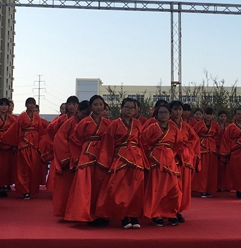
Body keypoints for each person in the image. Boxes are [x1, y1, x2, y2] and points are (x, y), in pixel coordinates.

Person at [95, 98, 147, 229]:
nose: (129, 110)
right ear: (122, 108)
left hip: (136, 158)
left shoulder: (138, 124)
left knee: (135, 188)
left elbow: (142, 142)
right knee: (119, 188)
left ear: (136, 110)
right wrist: (106, 161)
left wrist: (145, 159)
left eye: (132, 108)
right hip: (120, 157)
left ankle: (133, 215)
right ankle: (123, 216)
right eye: (127, 107)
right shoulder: (114, 124)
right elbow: (108, 143)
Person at [65, 95, 112, 226]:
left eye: (101, 104)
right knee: (86, 185)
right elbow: (74, 139)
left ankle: (101, 214)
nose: (99, 107)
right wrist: (77, 157)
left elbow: (112, 141)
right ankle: (86, 215)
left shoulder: (109, 123)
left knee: (101, 185)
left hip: (103, 155)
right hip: (87, 155)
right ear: (91, 107)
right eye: (95, 105)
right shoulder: (84, 122)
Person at [141, 103, 181, 226]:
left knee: (173, 188)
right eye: (160, 113)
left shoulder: (174, 129)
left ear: (170, 114)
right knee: (156, 188)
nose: (163, 115)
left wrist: (170, 154)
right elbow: (142, 141)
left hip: (169, 161)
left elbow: (178, 144)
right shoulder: (152, 127)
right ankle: (156, 214)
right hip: (155, 160)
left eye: (165, 113)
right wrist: (150, 153)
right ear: (156, 115)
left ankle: (171, 213)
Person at [3, 97, 47, 199]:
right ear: (26, 105)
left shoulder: (37, 118)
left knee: (33, 168)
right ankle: (25, 190)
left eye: (33, 104)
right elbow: (16, 129)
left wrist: (42, 144)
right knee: (23, 168)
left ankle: (31, 188)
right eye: (29, 103)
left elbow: (41, 131)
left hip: (34, 144)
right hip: (23, 144)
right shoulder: (22, 116)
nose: (31, 105)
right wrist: (16, 143)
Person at [52, 100, 90, 217]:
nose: (85, 117)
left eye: (87, 115)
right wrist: (67, 156)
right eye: (84, 114)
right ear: (79, 111)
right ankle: (66, 211)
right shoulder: (69, 122)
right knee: (66, 187)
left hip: (85, 155)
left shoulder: (89, 122)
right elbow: (59, 138)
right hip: (70, 157)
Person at [169, 100, 200, 223]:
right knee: (173, 186)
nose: (178, 112)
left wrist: (188, 148)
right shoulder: (167, 125)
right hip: (172, 159)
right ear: (170, 111)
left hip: (185, 159)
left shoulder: (186, 126)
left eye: (180, 109)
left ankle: (178, 210)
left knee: (184, 186)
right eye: (175, 109)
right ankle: (171, 210)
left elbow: (195, 138)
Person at [192, 107, 222, 198]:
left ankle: (209, 189)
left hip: (212, 149)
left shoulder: (215, 125)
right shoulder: (199, 124)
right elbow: (193, 134)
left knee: (211, 170)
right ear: (204, 115)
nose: (208, 116)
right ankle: (201, 189)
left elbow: (220, 136)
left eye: (210, 114)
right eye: (207, 114)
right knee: (202, 170)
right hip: (202, 148)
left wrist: (214, 143)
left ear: (212, 115)